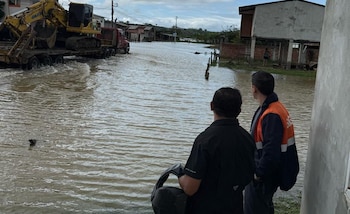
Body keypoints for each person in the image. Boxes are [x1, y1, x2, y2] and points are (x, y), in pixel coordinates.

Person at [178, 87, 256, 214]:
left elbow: (190, 187)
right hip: (235, 207)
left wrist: (179, 174)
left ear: (211, 106)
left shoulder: (205, 140)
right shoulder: (247, 139)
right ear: (239, 110)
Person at [244, 71, 296, 214]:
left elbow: (271, 151)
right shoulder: (276, 107)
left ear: (254, 88)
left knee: (254, 209)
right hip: (268, 173)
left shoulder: (271, 115)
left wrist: (258, 174)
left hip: (263, 177)